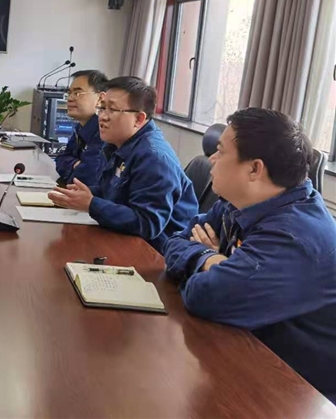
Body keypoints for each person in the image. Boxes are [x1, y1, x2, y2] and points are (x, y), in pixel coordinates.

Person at [164, 109, 336, 403]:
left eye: (220, 152)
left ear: (255, 169)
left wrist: (212, 266)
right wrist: (210, 258)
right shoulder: (241, 202)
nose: (211, 159)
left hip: (297, 393)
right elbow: (176, 240)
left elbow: (207, 297)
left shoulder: (295, 237)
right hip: (244, 349)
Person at [48, 76, 198, 252]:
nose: (102, 117)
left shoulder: (154, 158)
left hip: (158, 252)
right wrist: (83, 195)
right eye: (102, 108)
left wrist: (91, 204)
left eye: (112, 110)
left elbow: (147, 224)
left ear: (139, 119)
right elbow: (114, 192)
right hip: (124, 237)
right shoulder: (117, 143)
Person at [54, 70, 107, 188]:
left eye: (78, 93)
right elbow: (60, 159)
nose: (70, 98)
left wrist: (74, 167)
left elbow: (86, 178)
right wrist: (75, 164)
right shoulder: (81, 127)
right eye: (69, 93)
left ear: (100, 98)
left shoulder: (104, 131)